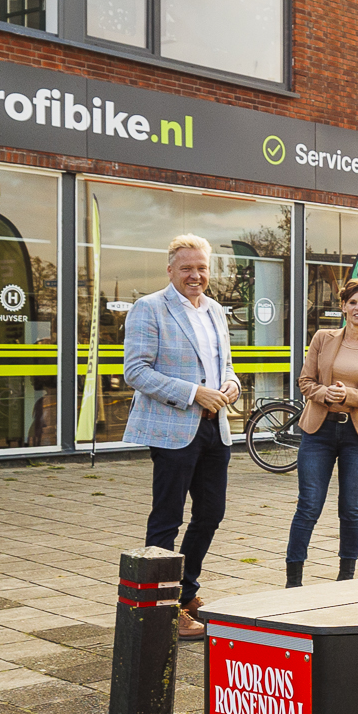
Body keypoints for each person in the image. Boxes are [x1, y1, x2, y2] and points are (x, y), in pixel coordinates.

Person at [123, 234, 241, 639]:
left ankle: (185, 590)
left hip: (215, 427)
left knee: (211, 513)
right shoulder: (149, 308)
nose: (196, 275)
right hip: (174, 428)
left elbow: (226, 368)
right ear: (170, 269)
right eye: (187, 268)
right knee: (167, 519)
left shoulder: (215, 311)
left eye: (202, 268)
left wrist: (232, 387)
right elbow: (136, 371)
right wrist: (193, 393)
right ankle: (162, 609)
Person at [286, 278, 358, 586]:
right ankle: (293, 581)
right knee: (308, 504)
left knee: (351, 507)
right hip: (319, 430)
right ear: (342, 306)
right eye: (353, 302)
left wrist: (345, 395)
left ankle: (345, 578)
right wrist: (324, 394)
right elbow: (305, 381)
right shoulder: (323, 338)